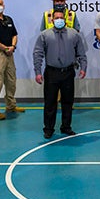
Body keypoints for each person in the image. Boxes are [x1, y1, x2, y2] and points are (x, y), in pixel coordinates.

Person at [33, 9, 87, 139]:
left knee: (68, 102)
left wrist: (83, 67)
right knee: (50, 103)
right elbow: (38, 54)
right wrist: (38, 72)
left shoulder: (74, 34)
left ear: (65, 19)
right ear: (52, 20)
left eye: (61, 18)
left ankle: (66, 127)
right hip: (51, 72)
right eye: (56, 18)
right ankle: (48, 129)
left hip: (68, 72)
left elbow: (81, 53)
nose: (59, 20)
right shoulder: (44, 35)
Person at [0, 0, 25, 120]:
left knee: (11, 80)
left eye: (1, 4)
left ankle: (11, 105)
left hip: (10, 53)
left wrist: (12, 46)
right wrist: (4, 48)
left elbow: (15, 34)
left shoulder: (9, 19)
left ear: (4, 5)